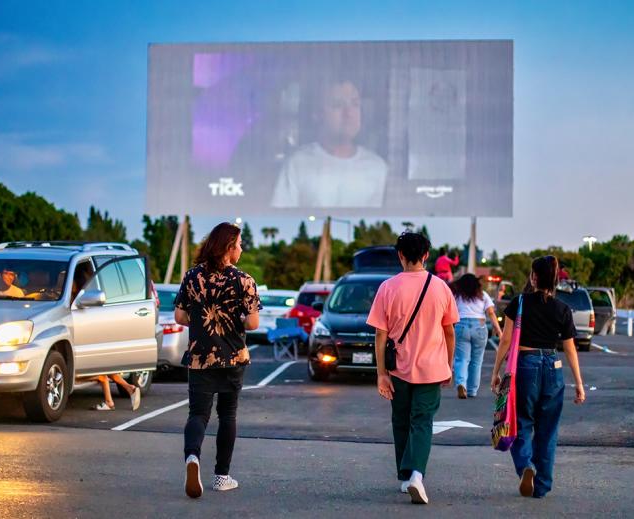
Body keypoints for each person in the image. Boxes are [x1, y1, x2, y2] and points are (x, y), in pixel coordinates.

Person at [368, 232, 459, 505]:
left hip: (399, 368)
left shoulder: (387, 287)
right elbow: (450, 332)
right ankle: (417, 474)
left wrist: (381, 373)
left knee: (401, 421)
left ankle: (405, 476)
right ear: (426, 255)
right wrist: (449, 364)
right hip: (432, 368)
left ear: (400, 255)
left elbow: (380, 336)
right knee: (422, 422)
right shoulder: (441, 287)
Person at [174, 222, 261, 499]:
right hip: (233, 357)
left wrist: (200, 320)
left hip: (201, 357)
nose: (242, 248)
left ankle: (192, 458)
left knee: (198, 414)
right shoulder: (244, 280)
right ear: (228, 247)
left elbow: (179, 316)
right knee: (228, 415)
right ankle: (222, 476)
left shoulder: (192, 277)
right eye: (239, 244)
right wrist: (237, 319)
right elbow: (254, 323)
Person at [491, 255, 585, 499]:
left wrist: (495, 371)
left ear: (533, 277)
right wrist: (579, 383)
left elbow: (506, 340)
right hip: (553, 366)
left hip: (526, 365)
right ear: (554, 280)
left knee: (520, 422)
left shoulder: (519, 302)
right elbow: (570, 348)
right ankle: (541, 486)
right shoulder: (562, 309)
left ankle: (525, 467)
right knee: (547, 429)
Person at [270, 78, 388, 208]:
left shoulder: (377, 168)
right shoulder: (297, 164)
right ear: (318, 114)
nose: (349, 113)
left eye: (355, 104)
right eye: (338, 105)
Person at [451, 274, 502, 399]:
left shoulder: (457, 296)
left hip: (461, 325)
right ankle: (472, 390)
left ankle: (461, 383)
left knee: (461, 359)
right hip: (479, 326)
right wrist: (498, 330)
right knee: (476, 361)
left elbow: (450, 312)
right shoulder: (483, 295)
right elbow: (490, 312)